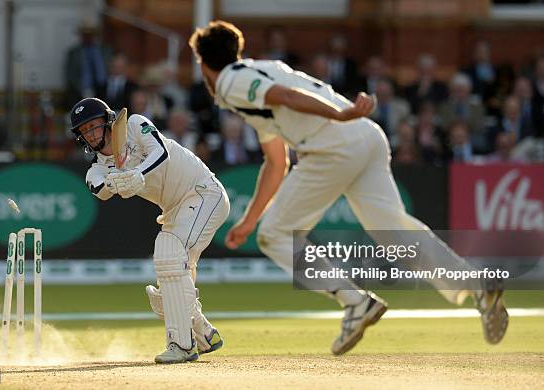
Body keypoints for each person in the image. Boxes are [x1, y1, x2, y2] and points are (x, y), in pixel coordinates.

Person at [189, 20, 508, 355]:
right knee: (394, 231)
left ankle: (354, 302)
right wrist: (250, 220)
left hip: (333, 144)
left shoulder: (230, 81)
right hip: (365, 136)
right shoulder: (258, 74)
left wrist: (338, 116)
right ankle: (476, 285)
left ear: (205, 62)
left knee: (274, 236)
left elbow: (286, 96)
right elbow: (276, 161)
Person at [69, 98, 230, 364]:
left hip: (203, 192)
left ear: (108, 122)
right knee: (168, 287)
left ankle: (181, 345)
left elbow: (160, 152)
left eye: (95, 126)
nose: (92, 134)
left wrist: (137, 174)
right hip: (174, 210)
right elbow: (99, 189)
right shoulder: (97, 167)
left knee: (167, 252)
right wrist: (114, 180)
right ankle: (203, 334)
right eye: (85, 131)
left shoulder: (134, 124)